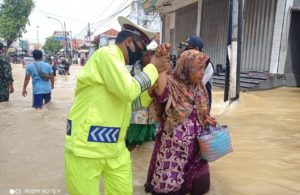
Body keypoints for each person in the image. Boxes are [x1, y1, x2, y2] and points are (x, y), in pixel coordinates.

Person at [64, 16, 171, 195]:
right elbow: (128, 91)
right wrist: (153, 67)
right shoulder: (106, 55)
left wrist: (152, 85)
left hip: (115, 147)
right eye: (142, 50)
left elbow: (130, 100)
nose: (144, 56)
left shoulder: (120, 67)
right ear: (129, 42)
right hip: (85, 148)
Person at [145, 50, 216, 195]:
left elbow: (201, 109)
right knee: (169, 189)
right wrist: (161, 67)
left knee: (202, 187)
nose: (202, 73)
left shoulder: (199, 87)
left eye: (204, 68)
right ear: (186, 66)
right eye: (199, 68)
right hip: (174, 147)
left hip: (197, 148)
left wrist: (207, 118)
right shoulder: (172, 83)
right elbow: (161, 94)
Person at [125, 40, 158, 151]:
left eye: (151, 55)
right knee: (131, 144)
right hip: (136, 117)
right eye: (146, 55)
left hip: (152, 117)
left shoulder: (158, 70)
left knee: (151, 144)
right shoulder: (132, 70)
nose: (149, 58)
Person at [185, 35, 214, 112]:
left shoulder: (207, 64)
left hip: (203, 91)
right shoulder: (188, 61)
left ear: (196, 49)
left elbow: (198, 85)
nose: (186, 50)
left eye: (188, 47)